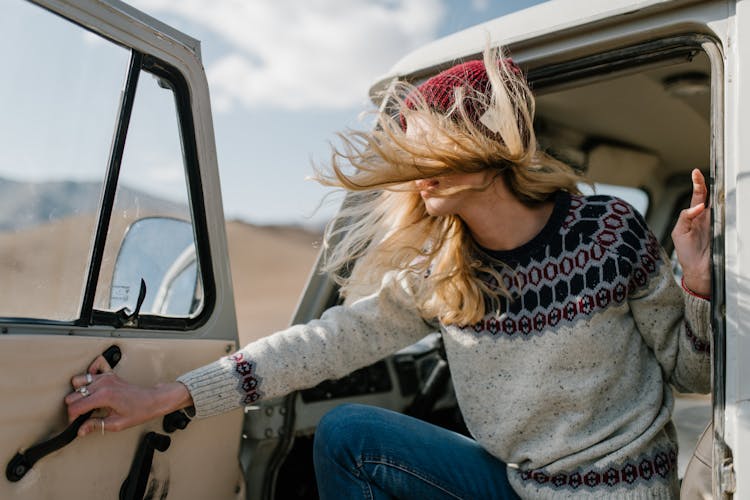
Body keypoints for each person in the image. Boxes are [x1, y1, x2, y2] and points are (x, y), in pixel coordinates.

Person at [65, 48, 712, 499]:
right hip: (519, 486)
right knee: (349, 435)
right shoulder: (450, 271)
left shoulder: (606, 232)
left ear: (484, 140)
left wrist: (696, 286)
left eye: (423, 145)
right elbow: (323, 343)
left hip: (621, 494)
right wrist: (166, 395)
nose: (409, 168)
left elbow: (692, 374)